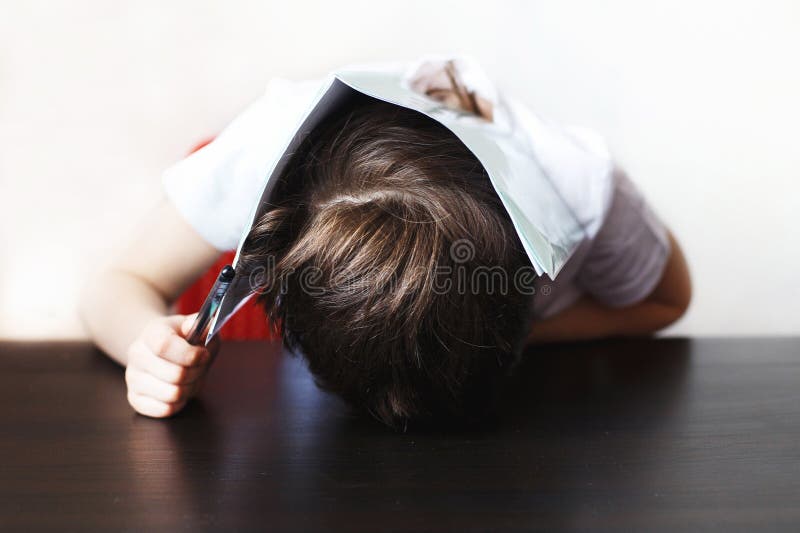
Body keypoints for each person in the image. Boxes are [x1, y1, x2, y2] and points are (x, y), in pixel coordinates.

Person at [79, 56, 691, 429]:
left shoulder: (583, 184)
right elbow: (117, 285)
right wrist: (144, 344)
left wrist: (521, 334)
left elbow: (667, 301)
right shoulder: (256, 153)